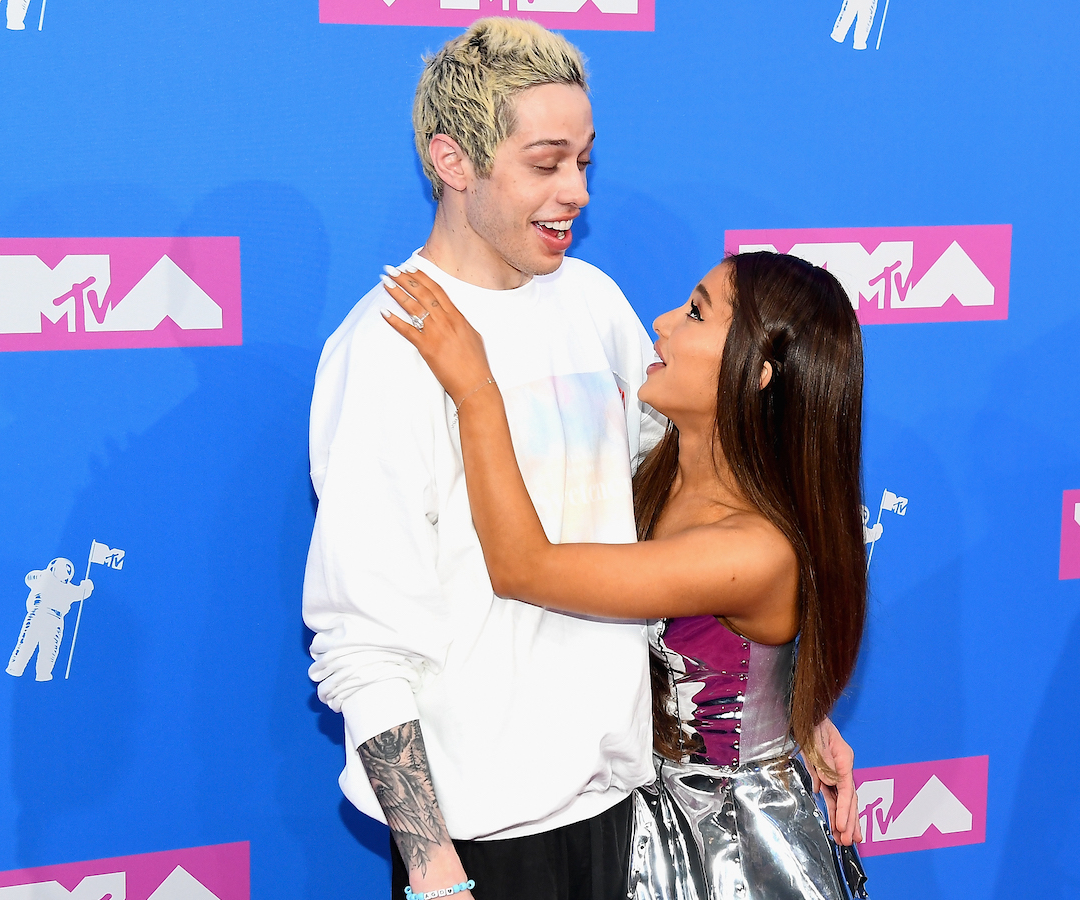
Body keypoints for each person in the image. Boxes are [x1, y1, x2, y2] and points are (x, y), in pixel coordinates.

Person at [301, 19, 859, 900]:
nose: (575, 194)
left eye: (585, 163)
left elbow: (690, 498)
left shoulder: (593, 301)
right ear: (454, 162)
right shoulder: (385, 348)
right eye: (546, 162)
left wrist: (786, 701)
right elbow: (362, 643)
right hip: (481, 837)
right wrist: (432, 862)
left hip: (631, 816)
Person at [379, 249, 870, 899]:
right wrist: (796, 713)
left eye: (697, 312)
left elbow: (524, 566)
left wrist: (475, 387)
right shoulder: (653, 474)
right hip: (632, 820)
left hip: (729, 856)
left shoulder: (753, 550)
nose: (663, 323)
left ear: (757, 373)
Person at [6, 557, 92, 681]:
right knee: (31, 644)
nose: (66, 571)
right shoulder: (45, 578)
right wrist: (86, 586)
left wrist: (86, 587)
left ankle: (40, 673)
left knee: (48, 648)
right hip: (40, 614)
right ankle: (22, 670)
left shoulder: (62, 586)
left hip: (53, 618)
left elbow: (81, 593)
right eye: (65, 568)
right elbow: (82, 592)